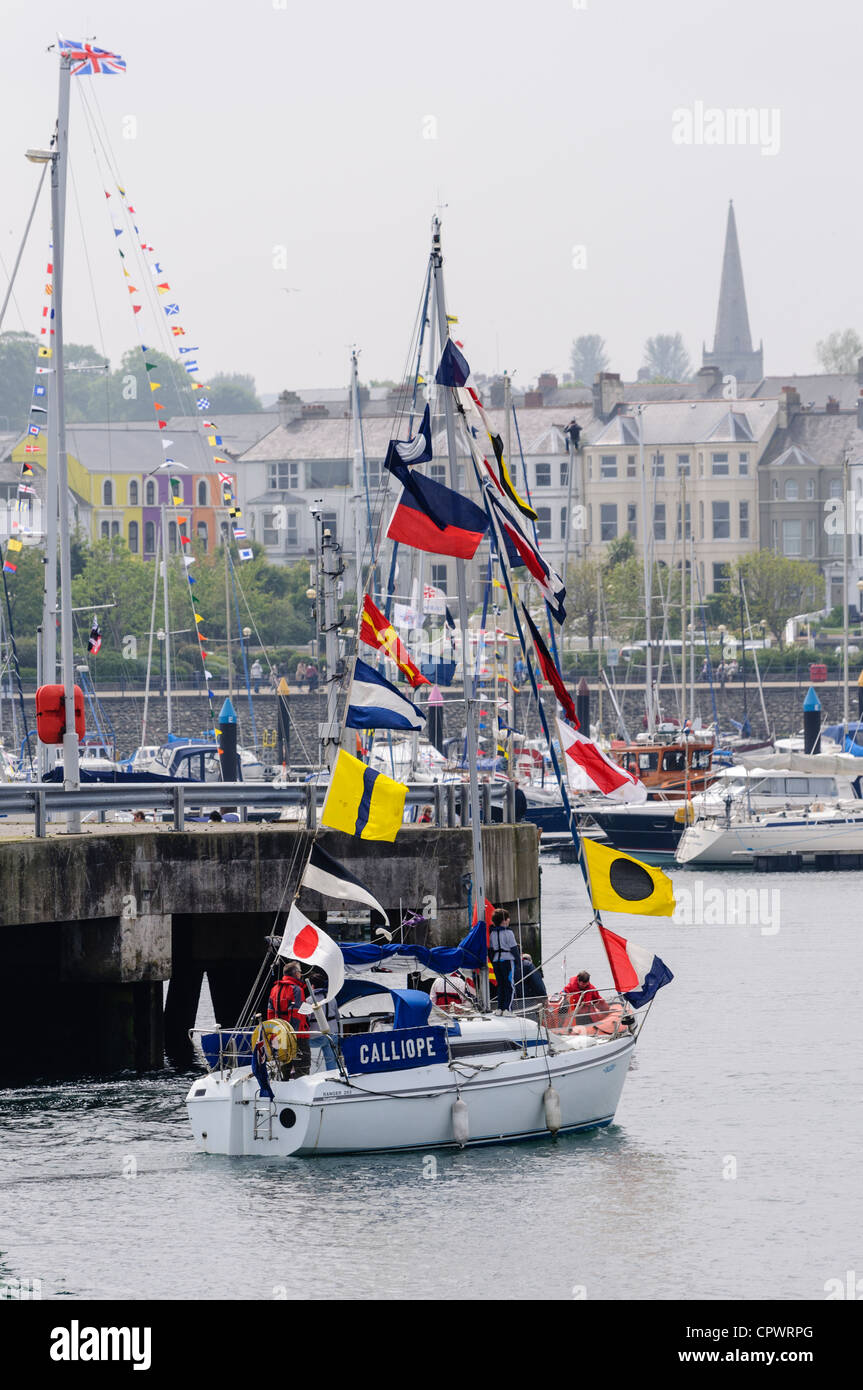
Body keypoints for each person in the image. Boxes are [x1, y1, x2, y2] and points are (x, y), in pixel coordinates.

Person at [266, 960, 311, 1077]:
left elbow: (270, 1013)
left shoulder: (274, 989)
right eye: (300, 971)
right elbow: (296, 1014)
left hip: (280, 1034)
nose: (301, 974)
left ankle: (284, 1084)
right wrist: (293, 1035)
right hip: (297, 1035)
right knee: (303, 1066)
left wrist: (274, 1034)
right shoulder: (296, 989)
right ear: (296, 973)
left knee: (284, 1066)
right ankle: (302, 1086)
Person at [307, 967, 339, 1071]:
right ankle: (333, 1074)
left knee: (300, 1043)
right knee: (331, 1059)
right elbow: (337, 1017)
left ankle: (302, 1070)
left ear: (312, 986)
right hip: (332, 1035)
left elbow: (306, 1020)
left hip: (316, 1037)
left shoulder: (309, 1000)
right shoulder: (332, 998)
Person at [488, 908, 518, 1013]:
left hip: (496, 961)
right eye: (508, 918)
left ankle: (500, 1008)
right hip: (508, 961)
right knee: (509, 985)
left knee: (500, 985)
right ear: (504, 921)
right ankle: (508, 1009)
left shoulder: (492, 933)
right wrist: (518, 962)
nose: (509, 920)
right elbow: (514, 948)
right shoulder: (508, 932)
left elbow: (491, 950)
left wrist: (493, 962)